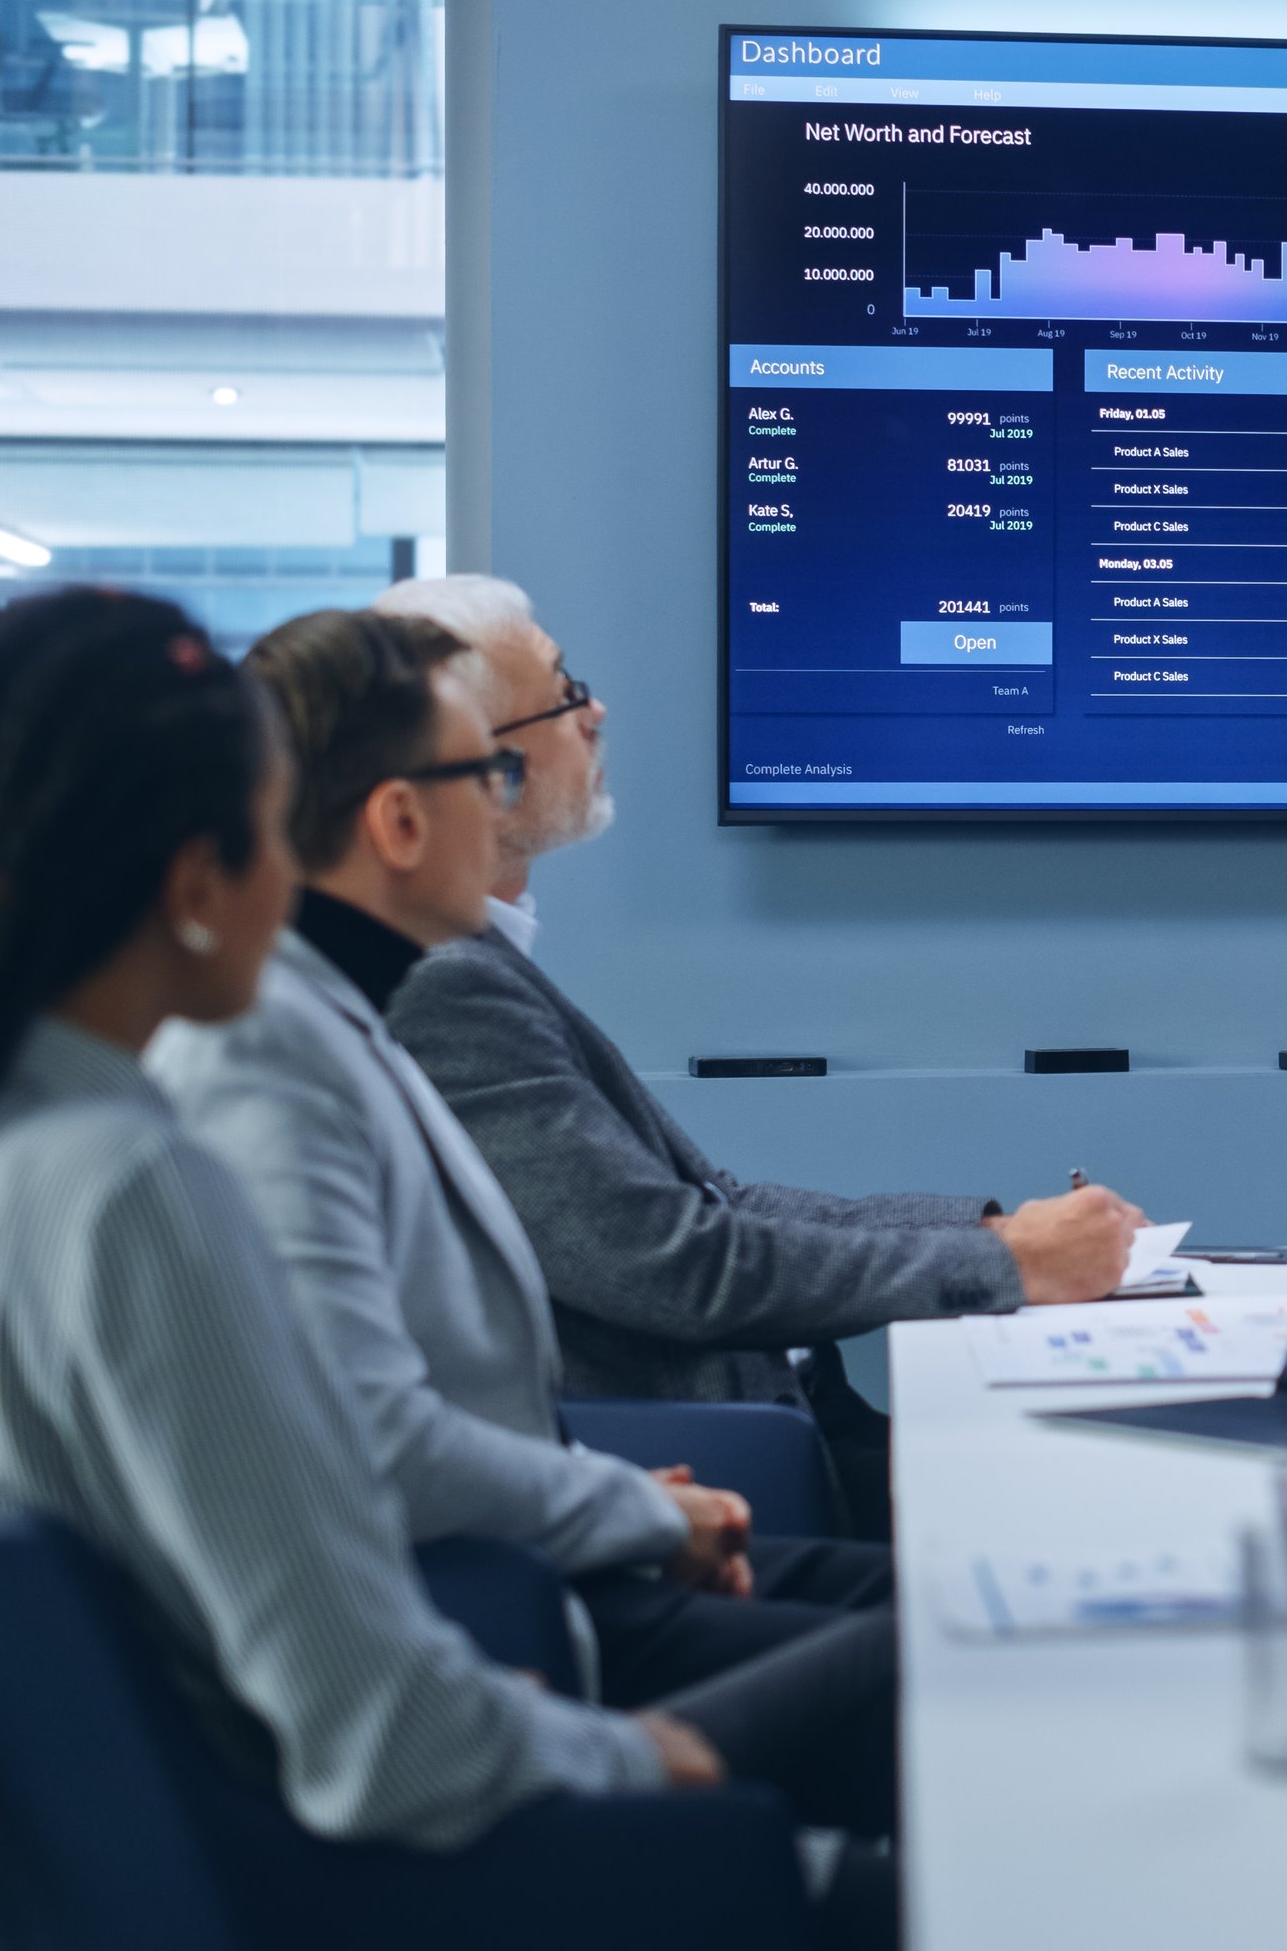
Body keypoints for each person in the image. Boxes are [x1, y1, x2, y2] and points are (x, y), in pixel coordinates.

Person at [0, 592, 863, 1942]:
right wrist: (639, 1758)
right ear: (194, 878)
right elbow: (382, 1735)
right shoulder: (133, 1186)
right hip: (365, 1885)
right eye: (274, 830)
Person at [145, 609, 895, 1828]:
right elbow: (377, 1432)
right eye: (485, 778)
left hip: (537, 1581)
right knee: (964, 1655)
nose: (505, 812)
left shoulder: (342, 1023)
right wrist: (631, 1511)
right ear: (399, 822)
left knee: (958, 1629)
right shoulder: (279, 1063)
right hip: (505, 1636)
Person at [368, 575, 1138, 1525]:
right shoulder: (445, 982)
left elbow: (718, 1203)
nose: (596, 714)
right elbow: (676, 1263)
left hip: (786, 1417)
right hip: (729, 1461)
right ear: (482, 767)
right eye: (566, 694)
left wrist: (994, 1237)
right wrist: (1005, 1264)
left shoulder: (485, 960)